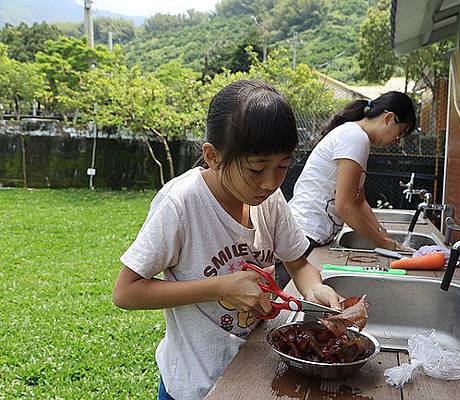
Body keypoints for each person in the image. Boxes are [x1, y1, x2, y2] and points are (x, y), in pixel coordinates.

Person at [112, 80, 343, 400]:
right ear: (213, 156)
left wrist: (314, 289)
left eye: (282, 166)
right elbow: (126, 292)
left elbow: (299, 262)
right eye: (256, 169)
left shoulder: (270, 202)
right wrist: (220, 287)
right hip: (194, 386)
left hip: (250, 374)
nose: (270, 182)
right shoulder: (181, 203)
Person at [285, 92, 416, 276]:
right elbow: (345, 207)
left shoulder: (356, 137)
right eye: (399, 134)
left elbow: (359, 201)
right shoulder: (354, 138)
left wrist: (383, 236)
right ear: (388, 118)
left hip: (310, 235)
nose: (395, 140)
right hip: (305, 235)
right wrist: (383, 242)